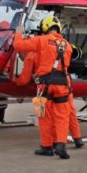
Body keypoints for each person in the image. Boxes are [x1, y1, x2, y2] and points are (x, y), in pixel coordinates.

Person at [14, 15, 76, 159]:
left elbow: (18, 46)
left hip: (44, 86)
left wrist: (18, 32)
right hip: (62, 85)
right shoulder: (67, 45)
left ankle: (46, 147)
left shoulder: (42, 40)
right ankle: (60, 144)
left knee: (43, 116)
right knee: (62, 117)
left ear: (45, 28)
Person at [14, 51, 84, 151]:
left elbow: (24, 78)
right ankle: (77, 139)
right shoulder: (60, 48)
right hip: (65, 83)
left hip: (45, 87)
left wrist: (17, 82)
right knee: (69, 112)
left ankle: (49, 145)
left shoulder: (32, 55)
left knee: (44, 116)